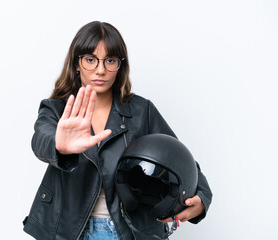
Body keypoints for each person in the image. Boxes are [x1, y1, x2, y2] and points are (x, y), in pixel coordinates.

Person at [23, 21, 212, 240]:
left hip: (130, 231)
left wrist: (202, 199)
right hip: (70, 232)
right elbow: (40, 139)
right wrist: (59, 145)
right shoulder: (56, 108)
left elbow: (180, 159)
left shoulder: (142, 110)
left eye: (110, 60)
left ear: (120, 65)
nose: (101, 70)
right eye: (91, 60)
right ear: (76, 64)